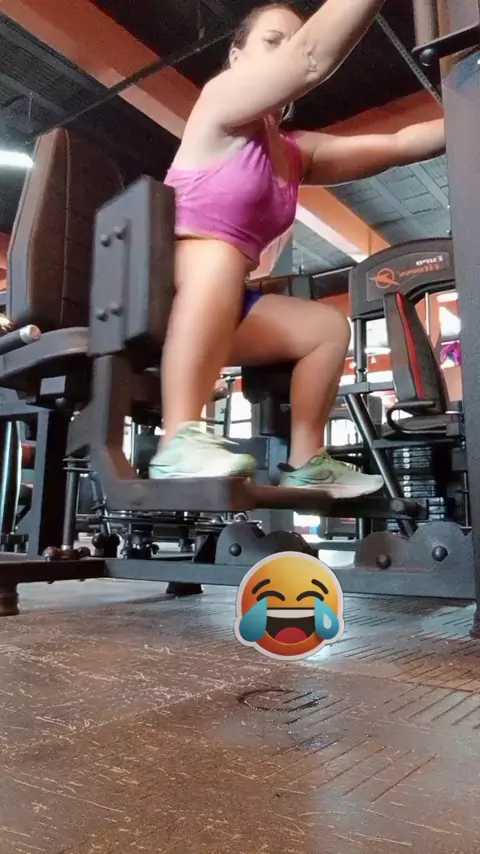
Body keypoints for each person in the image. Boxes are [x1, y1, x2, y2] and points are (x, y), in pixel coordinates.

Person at [149, 1, 445, 498]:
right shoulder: (218, 104)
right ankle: (178, 439)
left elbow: (399, 145)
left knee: (326, 328)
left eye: (292, 39)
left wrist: (469, 113)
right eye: (272, 42)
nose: (286, 50)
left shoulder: (295, 153)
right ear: (238, 58)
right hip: (167, 286)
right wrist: (302, 50)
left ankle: (306, 459)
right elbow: (310, 58)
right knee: (219, 256)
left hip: (223, 296)